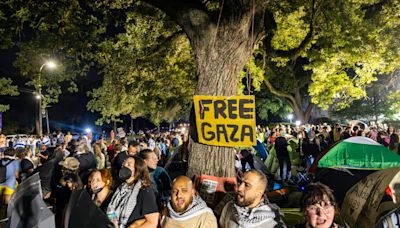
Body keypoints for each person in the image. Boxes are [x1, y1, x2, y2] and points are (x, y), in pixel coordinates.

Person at [219, 170, 286, 228]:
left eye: (247, 185)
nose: (239, 188)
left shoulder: (273, 224)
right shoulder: (229, 208)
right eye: (240, 182)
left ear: (259, 193)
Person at [107, 156, 159, 228]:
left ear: (138, 170)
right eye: (123, 164)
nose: (124, 166)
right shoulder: (120, 188)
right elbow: (111, 209)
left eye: (129, 165)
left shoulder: (145, 191)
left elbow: (152, 222)